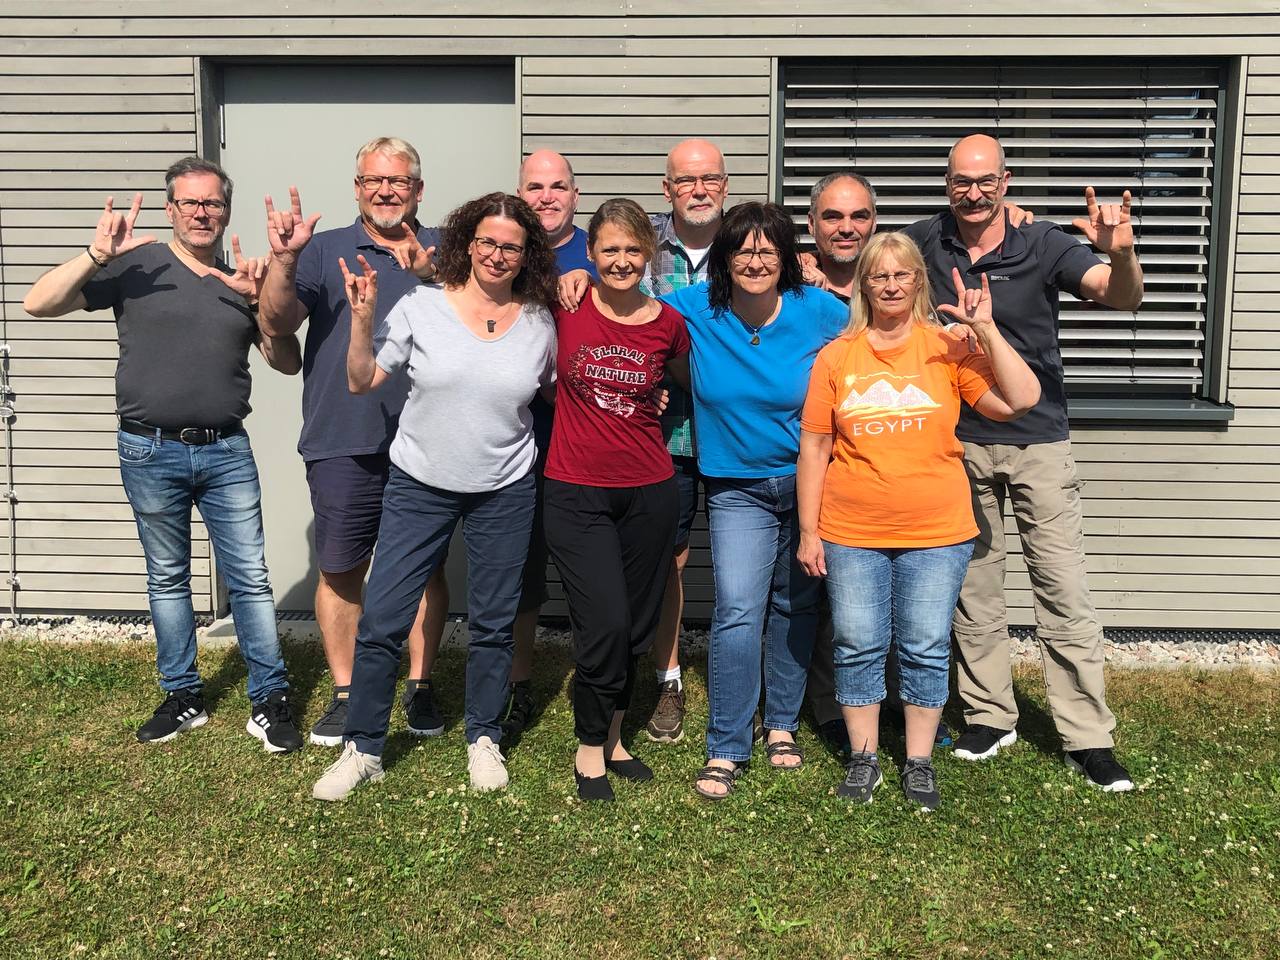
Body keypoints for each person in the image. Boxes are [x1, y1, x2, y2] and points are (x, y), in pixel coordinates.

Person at [23, 157, 304, 752]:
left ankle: (269, 698)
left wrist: (262, 304)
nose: (202, 213)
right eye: (190, 202)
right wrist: (96, 254)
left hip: (226, 451)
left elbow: (287, 363)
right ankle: (183, 695)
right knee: (168, 577)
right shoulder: (135, 267)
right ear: (171, 209)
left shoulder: (240, 278)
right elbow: (37, 304)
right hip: (148, 450)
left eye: (213, 203)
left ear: (226, 211)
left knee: (250, 578)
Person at [901, 133, 1143, 791]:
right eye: (962, 181)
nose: (974, 193)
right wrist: (811, 266)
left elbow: (1119, 295)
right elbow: (871, 272)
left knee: (1061, 588)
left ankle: (1087, 737)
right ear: (946, 184)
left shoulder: (1042, 242)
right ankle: (989, 715)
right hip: (959, 438)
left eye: (987, 181)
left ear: (1006, 182)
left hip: (1039, 438)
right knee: (974, 587)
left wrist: (1121, 253)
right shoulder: (925, 241)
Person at [311, 193, 558, 801]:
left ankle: (484, 736)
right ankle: (364, 746)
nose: (497, 255)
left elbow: (559, 393)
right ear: (467, 245)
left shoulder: (539, 322)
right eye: (487, 242)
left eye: (511, 247)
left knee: (494, 622)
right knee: (384, 620)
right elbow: (362, 380)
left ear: (526, 255)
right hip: (419, 485)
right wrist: (361, 322)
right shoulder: (423, 305)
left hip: (505, 489)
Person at [797, 232, 1040, 810]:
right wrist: (809, 531)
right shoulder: (837, 355)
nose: (890, 286)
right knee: (858, 642)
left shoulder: (947, 347)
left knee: (925, 645)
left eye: (901, 274)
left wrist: (987, 331)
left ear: (918, 281)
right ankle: (864, 758)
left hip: (937, 529)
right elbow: (815, 446)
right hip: (852, 528)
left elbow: (1021, 400)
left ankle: (919, 761)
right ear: (863, 285)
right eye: (879, 276)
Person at [257, 137, 451, 748]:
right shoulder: (322, 250)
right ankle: (346, 692)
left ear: (418, 189)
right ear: (358, 187)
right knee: (341, 567)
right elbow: (278, 322)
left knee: (425, 568)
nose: (385, 191)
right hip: (343, 436)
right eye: (373, 180)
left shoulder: (448, 248)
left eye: (398, 181)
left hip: (430, 437)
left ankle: (419, 684)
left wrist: (434, 274)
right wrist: (284, 260)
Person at [658, 201, 849, 799]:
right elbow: (631, 312)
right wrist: (580, 282)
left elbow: (879, 338)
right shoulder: (695, 306)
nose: (755, 261)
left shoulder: (818, 309)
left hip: (809, 482)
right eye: (742, 250)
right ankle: (727, 743)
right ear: (723, 258)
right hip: (736, 486)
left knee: (796, 604)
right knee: (739, 609)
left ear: (788, 258)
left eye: (768, 250)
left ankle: (782, 724)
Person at [564, 138, 733, 745]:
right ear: (667, 188)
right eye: (685, 180)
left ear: (725, 185)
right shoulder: (641, 239)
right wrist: (578, 273)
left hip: (738, 435)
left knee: (747, 567)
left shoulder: (749, 243)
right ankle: (668, 678)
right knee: (668, 564)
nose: (698, 189)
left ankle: (750, 685)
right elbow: (605, 282)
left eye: (709, 179)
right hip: (666, 436)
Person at [544, 198, 690, 801]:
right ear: (591, 253)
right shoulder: (566, 306)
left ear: (648, 254)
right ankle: (588, 747)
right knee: (603, 622)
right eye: (610, 249)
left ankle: (615, 737)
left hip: (650, 490)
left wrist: (657, 398)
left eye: (633, 249)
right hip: (576, 490)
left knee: (634, 624)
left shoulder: (669, 324)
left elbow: (680, 385)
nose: (622, 260)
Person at [498, 150, 602, 744]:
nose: (546, 197)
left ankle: (600, 681)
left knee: (592, 571)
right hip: (519, 440)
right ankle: (517, 684)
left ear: (575, 194)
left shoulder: (598, 251)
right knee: (521, 570)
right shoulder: (503, 251)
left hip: (589, 440)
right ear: (520, 194)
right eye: (534, 187)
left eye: (557, 186)